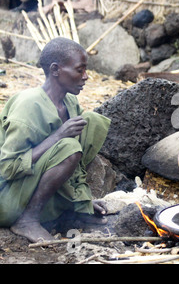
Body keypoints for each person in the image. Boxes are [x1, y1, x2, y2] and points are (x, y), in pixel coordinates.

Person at [0, 37, 111, 243]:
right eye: (80, 70)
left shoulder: (69, 101)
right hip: (7, 197)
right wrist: (58, 136)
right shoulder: (28, 106)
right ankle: (27, 220)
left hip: (30, 189)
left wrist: (82, 203)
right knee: (67, 146)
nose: (86, 77)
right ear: (55, 69)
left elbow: (63, 165)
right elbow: (7, 169)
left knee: (90, 122)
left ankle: (69, 209)